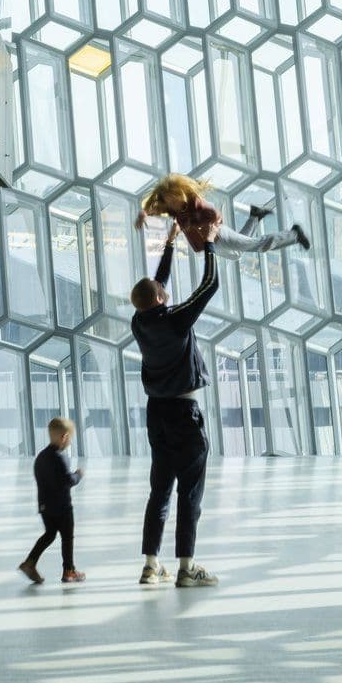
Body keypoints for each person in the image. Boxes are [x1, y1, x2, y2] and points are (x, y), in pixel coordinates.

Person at [130, 226, 221, 587]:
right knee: (190, 492)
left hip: (157, 415)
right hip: (185, 414)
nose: (167, 291)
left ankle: (151, 565)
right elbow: (208, 286)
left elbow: (156, 285)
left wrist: (169, 244)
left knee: (160, 490)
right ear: (161, 300)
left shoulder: (140, 322)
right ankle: (186, 567)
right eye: (163, 293)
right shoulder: (176, 319)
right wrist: (210, 241)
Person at [136, 171, 310, 258]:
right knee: (237, 255)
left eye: (172, 198)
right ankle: (255, 216)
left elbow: (214, 215)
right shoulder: (174, 209)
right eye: (168, 201)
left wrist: (191, 222)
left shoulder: (194, 202)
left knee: (258, 245)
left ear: (179, 192)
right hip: (209, 244)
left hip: (218, 235)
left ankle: (294, 234)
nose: (171, 203)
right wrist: (143, 214)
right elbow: (155, 210)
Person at [19, 415, 84, 585]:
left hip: (45, 506)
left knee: (49, 534)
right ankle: (69, 570)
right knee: (67, 537)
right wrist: (78, 475)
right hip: (62, 507)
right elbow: (68, 481)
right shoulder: (60, 457)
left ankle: (30, 562)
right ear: (65, 437)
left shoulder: (41, 457)